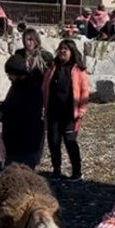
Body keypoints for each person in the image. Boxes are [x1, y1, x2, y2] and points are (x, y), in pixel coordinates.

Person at [41, 39, 88, 180]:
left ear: (72, 52)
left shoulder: (79, 70)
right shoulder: (52, 67)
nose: (62, 51)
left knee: (70, 142)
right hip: (53, 112)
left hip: (69, 114)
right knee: (54, 142)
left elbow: (85, 91)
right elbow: (44, 87)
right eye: (60, 48)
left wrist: (82, 110)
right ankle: (56, 169)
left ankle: (77, 171)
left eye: (65, 49)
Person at [0, 54, 44, 168]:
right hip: (13, 143)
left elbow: (24, 115)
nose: (9, 77)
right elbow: (6, 106)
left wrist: (3, 115)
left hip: (26, 144)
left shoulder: (32, 89)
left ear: (17, 72)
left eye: (10, 74)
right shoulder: (16, 87)